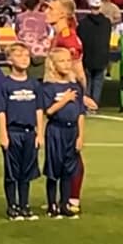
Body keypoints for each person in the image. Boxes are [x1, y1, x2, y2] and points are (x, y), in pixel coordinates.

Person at [45, 0, 93, 213]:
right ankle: (62, 198)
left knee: (72, 150)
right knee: (62, 151)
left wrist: (80, 96)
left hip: (68, 97)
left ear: (63, 13)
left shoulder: (68, 40)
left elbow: (77, 73)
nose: (47, 11)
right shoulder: (58, 37)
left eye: (52, 8)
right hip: (60, 94)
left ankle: (72, 197)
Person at [42, 47, 85, 219]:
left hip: (72, 131)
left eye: (68, 61)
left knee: (69, 169)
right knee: (54, 168)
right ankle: (52, 204)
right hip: (55, 131)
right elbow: (48, 111)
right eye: (61, 61)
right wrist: (64, 100)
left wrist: (81, 136)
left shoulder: (75, 87)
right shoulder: (48, 87)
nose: (66, 64)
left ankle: (65, 203)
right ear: (53, 65)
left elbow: (80, 113)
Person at [76, 0, 113, 106]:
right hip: (101, 57)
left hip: (87, 57)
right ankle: (94, 105)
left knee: (86, 82)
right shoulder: (106, 22)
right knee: (97, 83)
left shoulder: (83, 23)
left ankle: (87, 105)